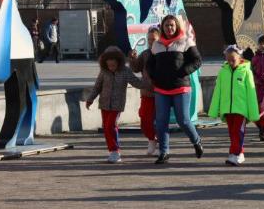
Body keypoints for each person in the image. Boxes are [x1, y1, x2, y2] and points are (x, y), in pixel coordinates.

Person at [146, 14, 204, 164]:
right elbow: (149, 65)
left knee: (183, 120)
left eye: (172, 25)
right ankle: (164, 152)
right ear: (162, 28)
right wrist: (154, 76)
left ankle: (196, 142)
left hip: (181, 88)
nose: (169, 28)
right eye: (166, 25)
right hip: (161, 89)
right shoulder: (156, 45)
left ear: (177, 26)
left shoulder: (185, 41)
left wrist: (182, 72)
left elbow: (197, 61)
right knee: (161, 122)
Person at [85, 46, 144, 163]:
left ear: (119, 62)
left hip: (117, 105)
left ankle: (115, 151)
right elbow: (97, 87)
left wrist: (150, 84)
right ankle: (112, 151)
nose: (111, 68)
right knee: (107, 128)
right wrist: (90, 99)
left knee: (110, 126)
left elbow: (136, 82)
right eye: (109, 66)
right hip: (104, 104)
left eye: (113, 65)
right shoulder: (103, 72)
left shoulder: (125, 71)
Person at [209, 45, 260, 166]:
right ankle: (239, 153)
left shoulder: (246, 72)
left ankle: (235, 153)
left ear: (240, 58)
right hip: (227, 109)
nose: (231, 62)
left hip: (241, 110)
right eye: (228, 60)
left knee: (238, 132)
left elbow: (251, 93)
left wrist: (253, 112)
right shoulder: (223, 72)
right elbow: (218, 91)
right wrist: (215, 109)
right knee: (232, 132)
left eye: (233, 59)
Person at [129, 26, 161, 155]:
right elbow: (136, 68)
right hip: (147, 92)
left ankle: (162, 144)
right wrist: (132, 58)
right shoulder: (146, 54)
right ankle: (152, 139)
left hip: (162, 93)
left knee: (160, 121)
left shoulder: (164, 53)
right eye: (149, 39)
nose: (151, 42)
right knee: (145, 120)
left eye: (153, 39)